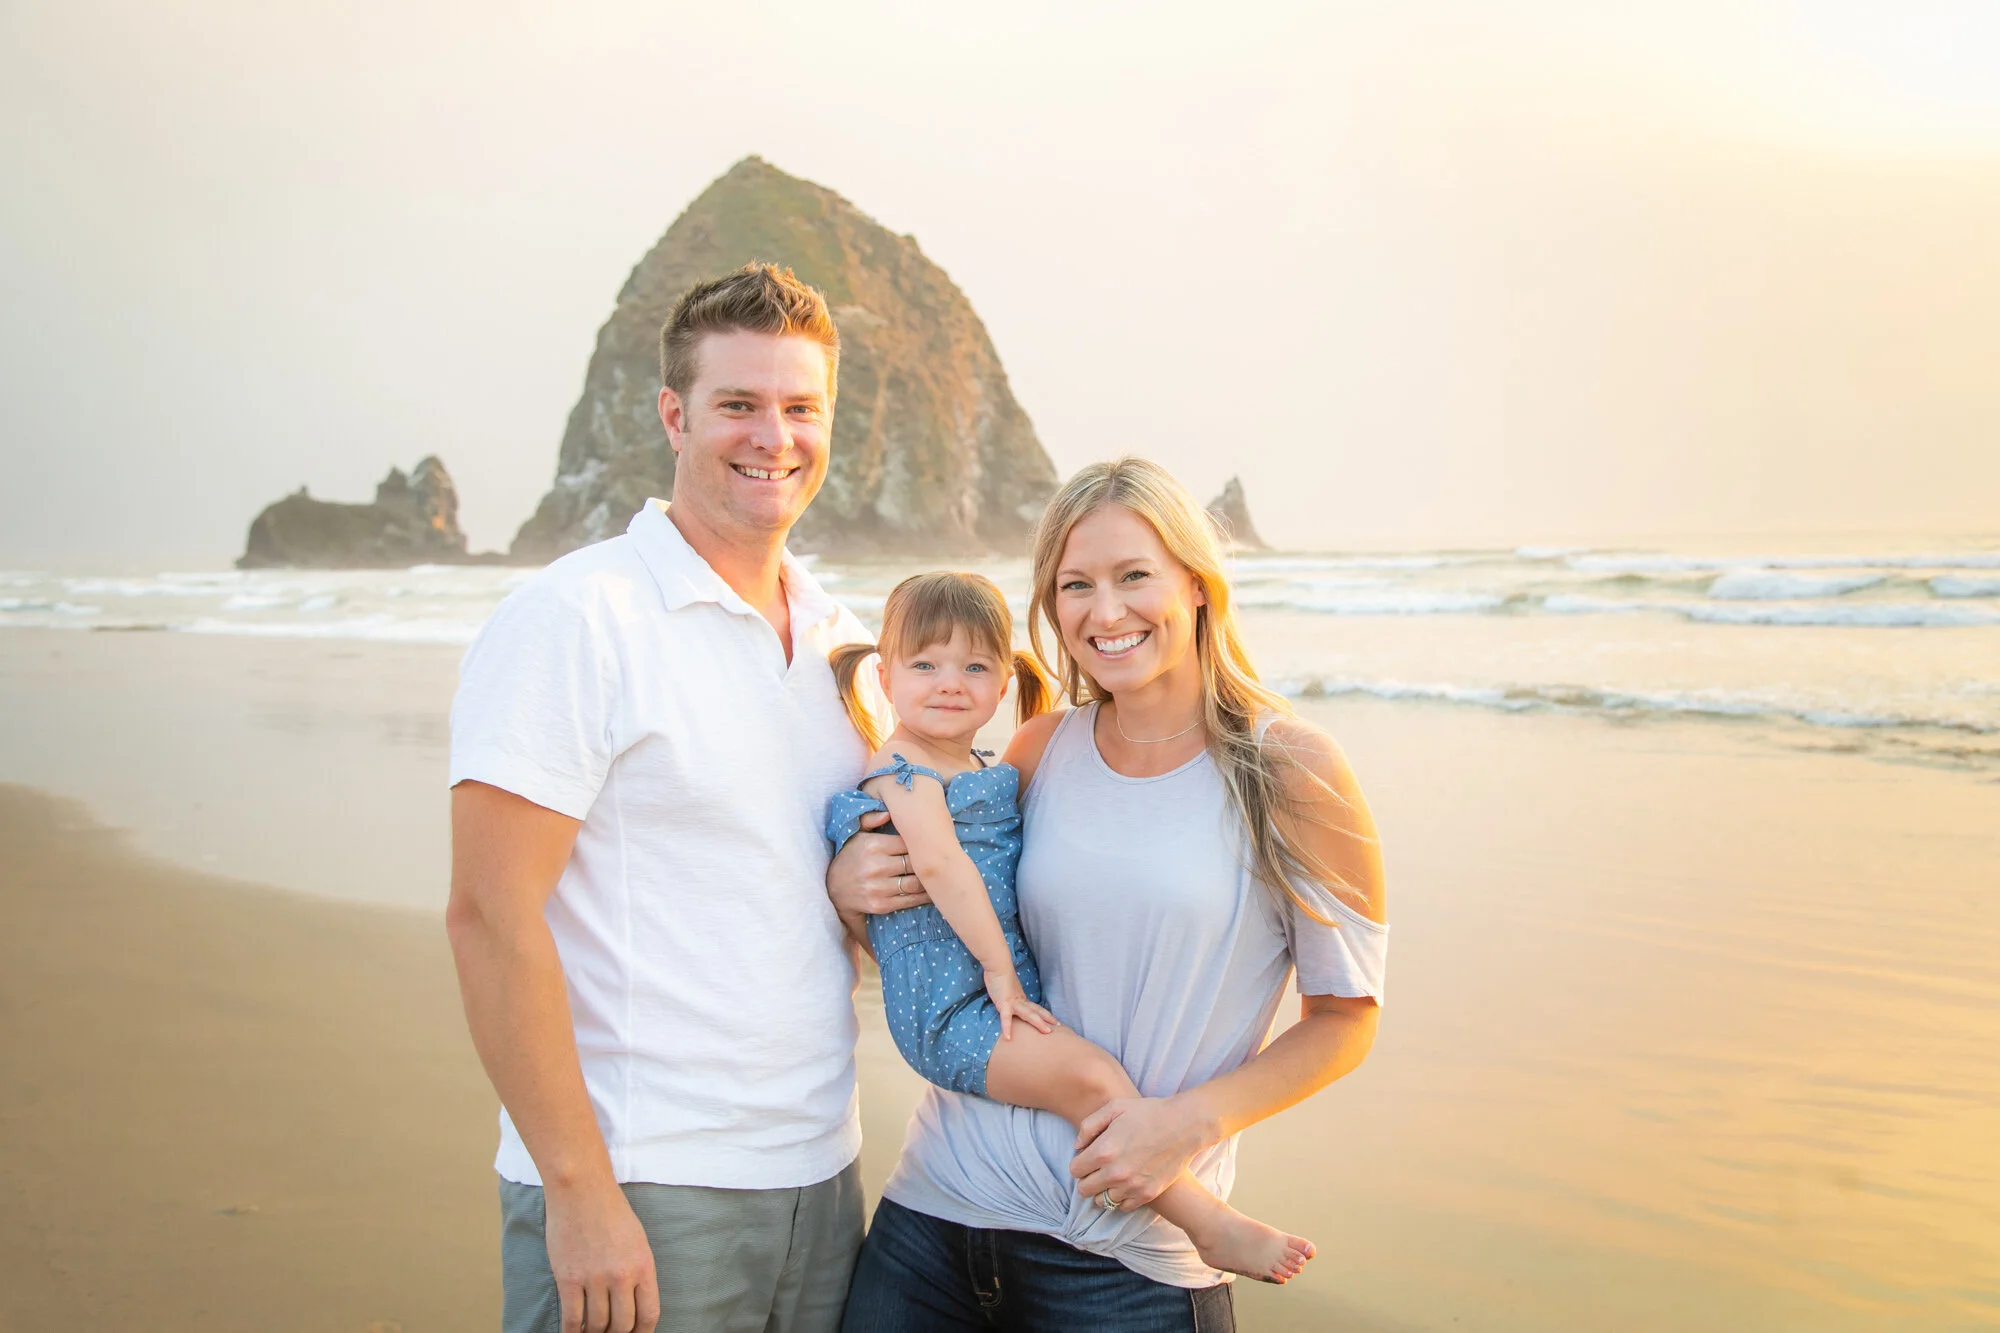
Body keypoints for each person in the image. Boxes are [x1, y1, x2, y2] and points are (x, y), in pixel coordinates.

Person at [829, 457, 1389, 1331]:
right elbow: (939, 938)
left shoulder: (1291, 768)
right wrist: (847, 882)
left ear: (1197, 585)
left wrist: (1188, 1123)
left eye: (1135, 575)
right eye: (1075, 584)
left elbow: (1346, 1016)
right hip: (934, 1221)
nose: (1105, 610)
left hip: (1127, 1261)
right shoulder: (1037, 749)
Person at [446, 264, 883, 1333]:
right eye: (737, 404)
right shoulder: (575, 618)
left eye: (798, 407)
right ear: (674, 415)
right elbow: (488, 917)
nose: (770, 436)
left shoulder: (846, 643)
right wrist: (579, 1192)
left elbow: (796, 887)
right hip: (643, 1182)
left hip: (822, 1173)